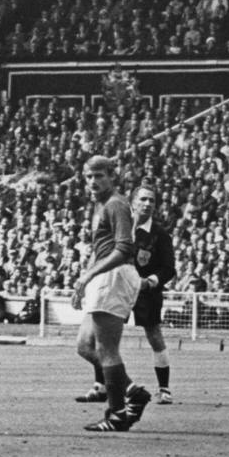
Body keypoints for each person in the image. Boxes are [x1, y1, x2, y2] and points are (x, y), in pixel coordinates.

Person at [74, 185, 176, 405]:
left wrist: (152, 282)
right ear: (133, 202)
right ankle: (101, 387)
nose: (148, 204)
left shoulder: (159, 234)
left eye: (152, 200)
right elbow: (100, 253)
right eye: (143, 199)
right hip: (113, 286)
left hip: (144, 290)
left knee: (154, 335)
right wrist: (88, 280)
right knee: (96, 340)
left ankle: (164, 389)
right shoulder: (120, 224)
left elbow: (169, 268)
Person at [72, 155, 151, 432]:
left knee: (106, 349)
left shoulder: (116, 204)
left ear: (111, 177)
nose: (93, 182)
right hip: (103, 276)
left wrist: (89, 274)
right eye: (89, 177)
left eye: (99, 176)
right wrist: (84, 281)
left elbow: (123, 248)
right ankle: (132, 391)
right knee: (85, 345)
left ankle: (116, 414)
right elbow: (103, 248)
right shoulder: (100, 205)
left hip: (114, 276)